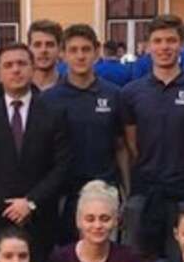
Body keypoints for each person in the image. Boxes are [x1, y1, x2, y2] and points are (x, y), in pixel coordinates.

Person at [0, 42, 70, 262]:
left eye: (22, 64)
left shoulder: (54, 114)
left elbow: (62, 166)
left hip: (40, 218)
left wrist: (30, 202)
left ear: (32, 68)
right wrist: (9, 206)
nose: (16, 70)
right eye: (8, 65)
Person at [119, 15, 184, 257]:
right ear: (148, 46)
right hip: (144, 192)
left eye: (171, 41)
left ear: (182, 45)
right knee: (138, 261)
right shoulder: (131, 92)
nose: (164, 47)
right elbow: (132, 143)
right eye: (158, 41)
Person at [41, 24, 128, 245]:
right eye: (73, 50)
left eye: (86, 49)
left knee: (104, 255)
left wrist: (127, 191)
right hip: (64, 194)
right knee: (65, 257)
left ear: (97, 52)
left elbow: (121, 146)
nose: (80, 56)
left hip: (104, 189)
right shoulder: (48, 100)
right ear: (62, 54)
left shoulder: (114, 95)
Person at [28, 20, 62, 92]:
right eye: (37, 45)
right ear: (29, 48)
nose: (43, 50)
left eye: (49, 45)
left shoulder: (71, 90)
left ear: (59, 49)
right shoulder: (18, 88)